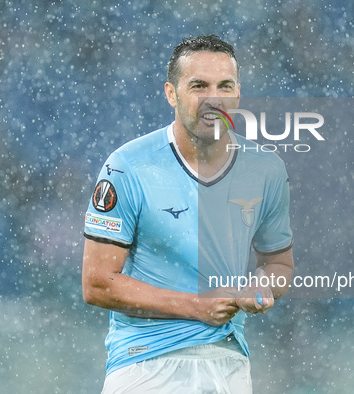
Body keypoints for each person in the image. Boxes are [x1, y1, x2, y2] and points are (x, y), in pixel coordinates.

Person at [82, 34, 294, 394]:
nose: (214, 98)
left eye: (225, 86)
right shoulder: (127, 167)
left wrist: (262, 287)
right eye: (199, 86)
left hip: (227, 362)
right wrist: (196, 307)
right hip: (144, 361)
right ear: (171, 93)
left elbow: (279, 264)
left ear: (238, 93)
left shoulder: (266, 169)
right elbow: (97, 283)